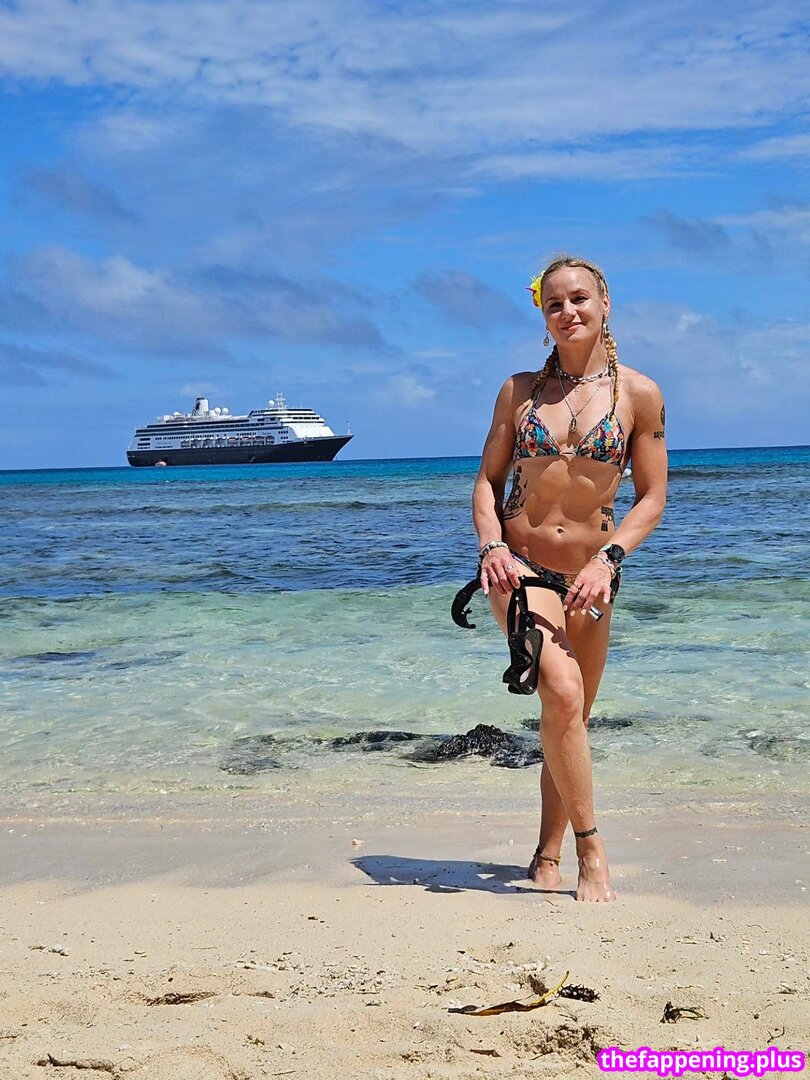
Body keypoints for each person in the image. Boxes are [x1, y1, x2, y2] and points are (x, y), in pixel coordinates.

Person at [472, 255, 668, 902]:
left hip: (592, 577)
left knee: (571, 718)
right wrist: (491, 546)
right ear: (543, 314)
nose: (567, 311)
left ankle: (545, 853)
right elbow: (486, 483)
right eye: (554, 303)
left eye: (579, 298)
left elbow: (652, 497)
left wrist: (609, 559)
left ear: (604, 304)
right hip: (520, 567)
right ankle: (592, 849)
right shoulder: (518, 391)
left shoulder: (639, 395)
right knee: (560, 693)